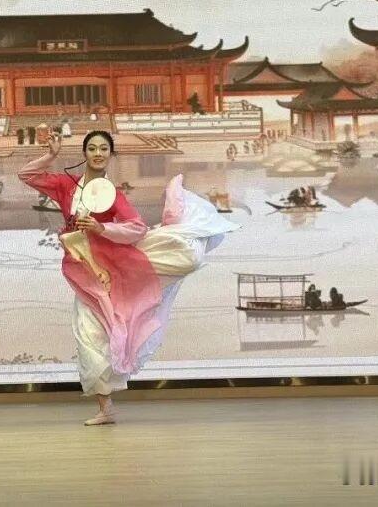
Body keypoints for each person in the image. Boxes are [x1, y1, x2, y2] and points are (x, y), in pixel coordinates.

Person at [19, 130, 237, 426]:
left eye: (103, 149)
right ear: (84, 153)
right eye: (92, 148)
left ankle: (109, 395)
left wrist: (102, 228)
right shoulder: (66, 185)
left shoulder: (113, 194)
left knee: (176, 264)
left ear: (111, 154)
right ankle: (105, 407)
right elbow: (27, 175)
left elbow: (137, 228)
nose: (98, 153)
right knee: (87, 335)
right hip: (84, 270)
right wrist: (51, 155)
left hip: (113, 267)